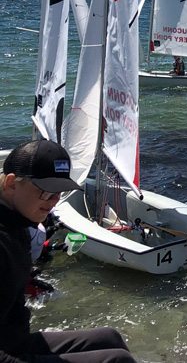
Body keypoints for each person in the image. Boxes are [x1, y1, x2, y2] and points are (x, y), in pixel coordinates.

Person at [1, 140, 136, 363]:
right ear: (12, 184)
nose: (53, 202)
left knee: (109, 338)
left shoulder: (19, 224)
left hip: (14, 341)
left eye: (59, 193)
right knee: (115, 360)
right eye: (46, 192)